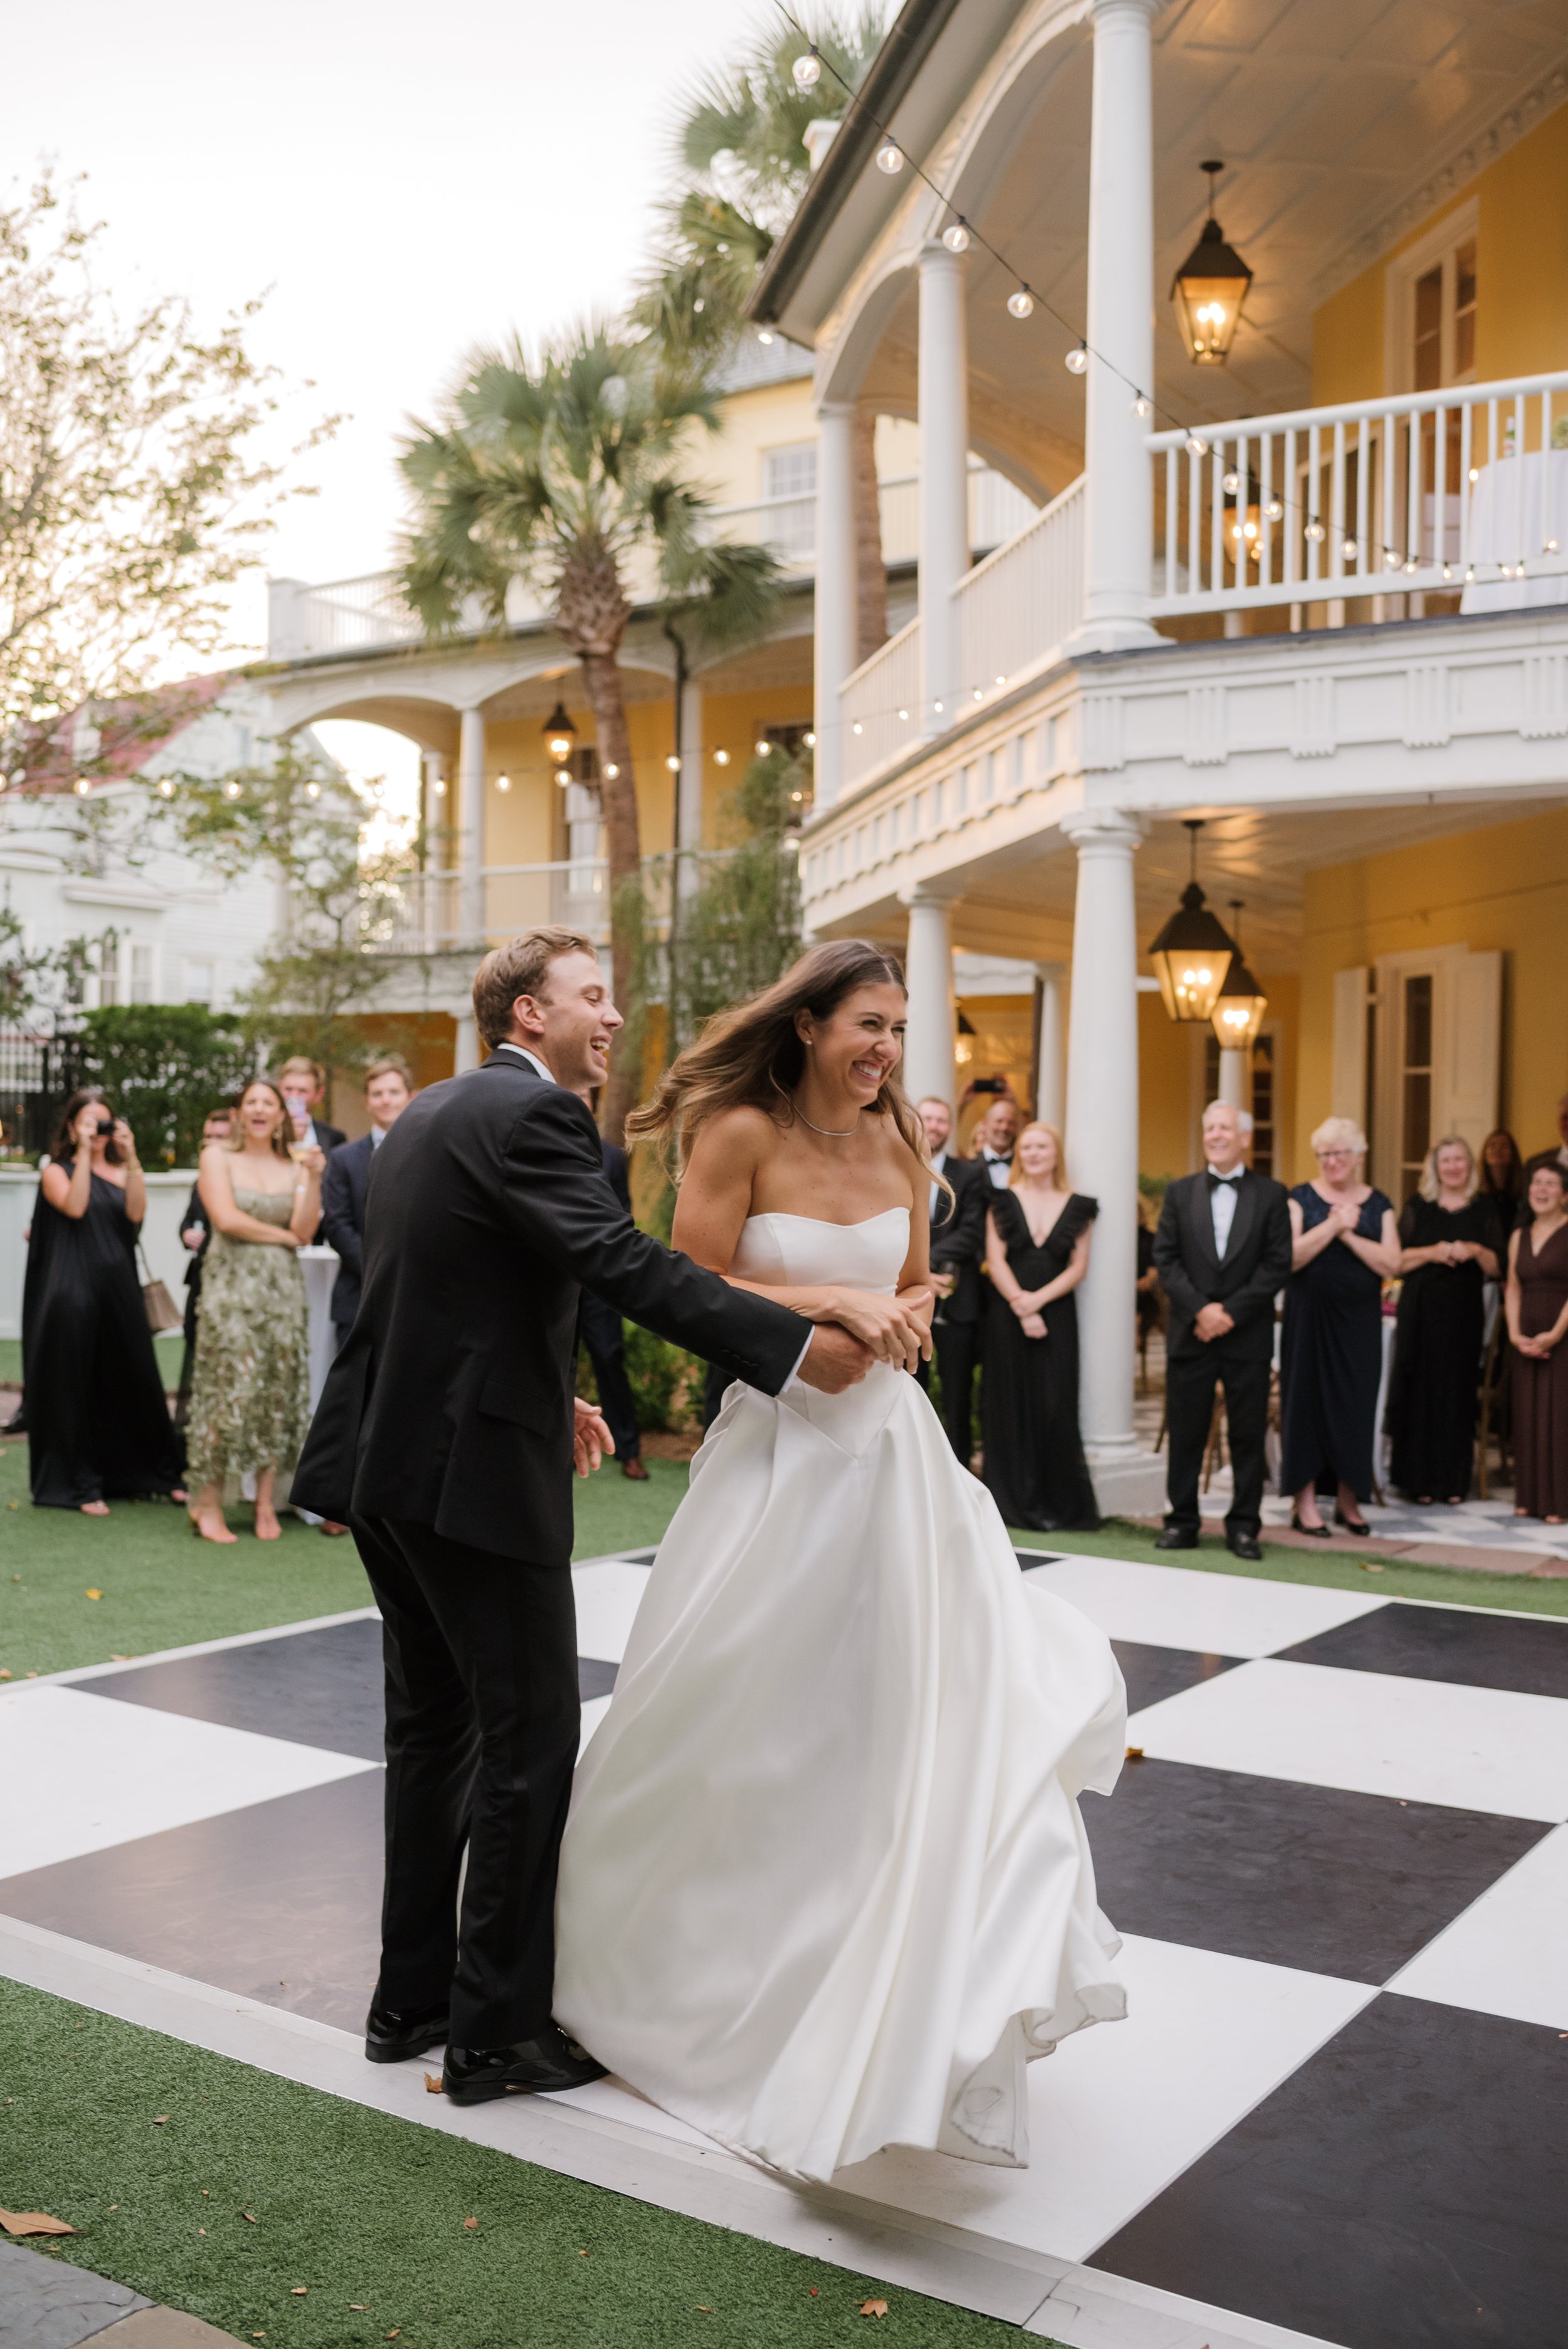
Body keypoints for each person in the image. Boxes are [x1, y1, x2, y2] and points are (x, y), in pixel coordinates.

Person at [554, 942, 1126, 2185]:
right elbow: (686, 1278)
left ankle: (884, 1976)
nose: (882, 1052)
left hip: (891, 1466)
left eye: (896, 1032)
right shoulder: (736, 1129)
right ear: (808, 1023)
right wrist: (824, 1307)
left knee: (907, 1725)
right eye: (866, 1025)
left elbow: (914, 1278)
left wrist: (905, 1310)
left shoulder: (901, 1150)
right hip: (777, 1457)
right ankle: (678, 1976)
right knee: (742, 1718)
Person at [291, 926, 862, 2106]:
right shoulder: (537, 1117)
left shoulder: (432, 1117)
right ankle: (498, 2036)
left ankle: (411, 2006)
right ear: (525, 1016)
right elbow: (622, 1264)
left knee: (435, 1734)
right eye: (590, 998)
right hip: (470, 1487)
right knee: (530, 1742)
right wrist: (795, 1347)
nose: (611, 1018)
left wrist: (553, 1392)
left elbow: (445, 1292)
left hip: (389, 1473)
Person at [22, 1089, 186, 1514]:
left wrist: (131, 1157)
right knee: (75, 1385)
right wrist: (81, 1153)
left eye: (104, 1122)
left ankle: (155, 1473)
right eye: (88, 1121)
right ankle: (81, 1485)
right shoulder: (57, 1171)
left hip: (119, 1288)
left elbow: (136, 1214)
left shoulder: (119, 1169)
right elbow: (76, 1207)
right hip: (71, 1290)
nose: (97, 1130)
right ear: (73, 1125)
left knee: (136, 1377)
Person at [184, 1077, 323, 1546]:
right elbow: (226, 1219)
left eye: (270, 1103)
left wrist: (317, 1177)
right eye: (252, 1103)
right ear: (241, 1113)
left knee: (277, 1393)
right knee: (229, 1391)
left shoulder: (296, 1165)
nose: (261, 1109)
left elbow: (305, 1228)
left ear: (282, 1115)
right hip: (231, 1292)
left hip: (282, 1294)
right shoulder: (216, 1156)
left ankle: (266, 1502)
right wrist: (283, 1236)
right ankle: (207, 1501)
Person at [1152, 1100, 1291, 1561]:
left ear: (1245, 1137)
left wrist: (1228, 1313)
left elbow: (1277, 1265)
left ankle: (1244, 1526)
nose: (1216, 1134)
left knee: (1247, 1433)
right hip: (1191, 1333)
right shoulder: (1179, 1192)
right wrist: (1201, 1312)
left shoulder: (1272, 1194)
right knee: (1186, 1431)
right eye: (1209, 1127)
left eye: (1225, 1128)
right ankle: (1182, 1520)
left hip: (1246, 1335)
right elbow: (1166, 1260)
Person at [1279, 1116, 1400, 1536]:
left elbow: (1392, 1263)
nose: (1332, 1161)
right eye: (1325, 1154)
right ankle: (1305, 1503)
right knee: (1306, 1403)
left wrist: (1349, 1237)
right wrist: (1333, 1225)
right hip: (1309, 1317)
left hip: (1359, 1321)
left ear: (1358, 1157)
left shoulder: (1379, 1203)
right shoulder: (1299, 1199)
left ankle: (1350, 1501)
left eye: (1340, 1153)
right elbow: (1289, 1258)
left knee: (1355, 1403)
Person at [980, 1121, 1101, 1532]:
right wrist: (1021, 1305)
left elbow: (1078, 1267)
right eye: (1026, 1146)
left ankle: (1059, 1504)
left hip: (1057, 1314)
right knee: (1009, 1402)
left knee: (1056, 1403)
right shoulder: (1000, 1200)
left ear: (1056, 1154)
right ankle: (1013, 1505)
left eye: (1041, 1146)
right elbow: (995, 1260)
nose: (1033, 1153)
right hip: (1007, 1316)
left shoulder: (1079, 1205)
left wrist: (1039, 1302)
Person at [1385, 1138, 1502, 1505]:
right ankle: (1416, 1481)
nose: (1453, 1167)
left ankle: (1453, 1482)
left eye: (1459, 1160)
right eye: (1446, 1160)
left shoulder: (1484, 1210)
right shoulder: (1419, 1207)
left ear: (1469, 1166)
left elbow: (1499, 1267)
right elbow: (1395, 1261)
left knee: (1456, 1394)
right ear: (1434, 1167)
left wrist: (1476, 1250)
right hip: (1419, 1313)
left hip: (1462, 1318)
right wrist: (1432, 1252)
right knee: (1419, 1391)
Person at [320, 1059, 415, 1346]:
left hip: (416, 1297)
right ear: (367, 1102)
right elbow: (337, 1223)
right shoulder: (343, 1159)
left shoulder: (434, 1153)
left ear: (410, 1098)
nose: (386, 1100)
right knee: (354, 1390)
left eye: (394, 1092)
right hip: (358, 1297)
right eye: (377, 1094)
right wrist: (378, 1272)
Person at [916, 1095, 988, 1465]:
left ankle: (959, 1474)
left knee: (958, 1395)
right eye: (928, 1117)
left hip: (957, 1303)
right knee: (912, 1390)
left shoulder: (971, 1173)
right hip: (909, 1300)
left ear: (950, 1127)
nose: (935, 1126)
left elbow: (973, 1230)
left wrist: (929, 1264)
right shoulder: (899, 1165)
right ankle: (913, 1470)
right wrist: (919, 1275)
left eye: (942, 1120)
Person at [578, 1122, 650, 1482]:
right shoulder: (542, 1146)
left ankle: (629, 1451)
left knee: (609, 1357)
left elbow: (622, 1216)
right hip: (553, 1282)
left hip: (596, 1283)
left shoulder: (613, 1157)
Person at [1505, 1158, 1568, 1525]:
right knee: (1528, 1416)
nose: (1541, 1190)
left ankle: (1559, 1501)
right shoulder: (1519, 1236)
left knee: (1559, 1417)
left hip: (1562, 1335)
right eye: (1536, 1183)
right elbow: (1513, 1288)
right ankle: (1529, 1496)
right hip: (1526, 1337)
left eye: (1550, 1185)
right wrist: (1515, 1334)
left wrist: (1556, 1335)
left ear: (1564, 1196)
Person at [175, 1107, 233, 1428]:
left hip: (234, 1280)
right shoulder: (201, 1181)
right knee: (195, 1350)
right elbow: (186, 1220)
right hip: (200, 1281)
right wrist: (185, 1233)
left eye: (221, 1137)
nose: (212, 1143)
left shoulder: (245, 1179)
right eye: (208, 1137)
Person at [276, 1056, 347, 1157]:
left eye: (302, 1091)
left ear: (319, 1094)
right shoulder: (263, 1132)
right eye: (288, 1089)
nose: (294, 1097)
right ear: (279, 1089)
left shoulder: (335, 1138)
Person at [1479, 1128, 1527, 1224]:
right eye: (1493, 1145)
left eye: (1504, 1146)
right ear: (1485, 1153)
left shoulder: (1525, 1191)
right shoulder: (1476, 1194)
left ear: (1513, 1153)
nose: (1498, 1150)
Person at [972, 1093, 1019, 1188]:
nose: (1004, 1127)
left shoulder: (1023, 1165)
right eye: (999, 1121)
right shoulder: (970, 1165)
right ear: (985, 1124)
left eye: (1011, 1123)